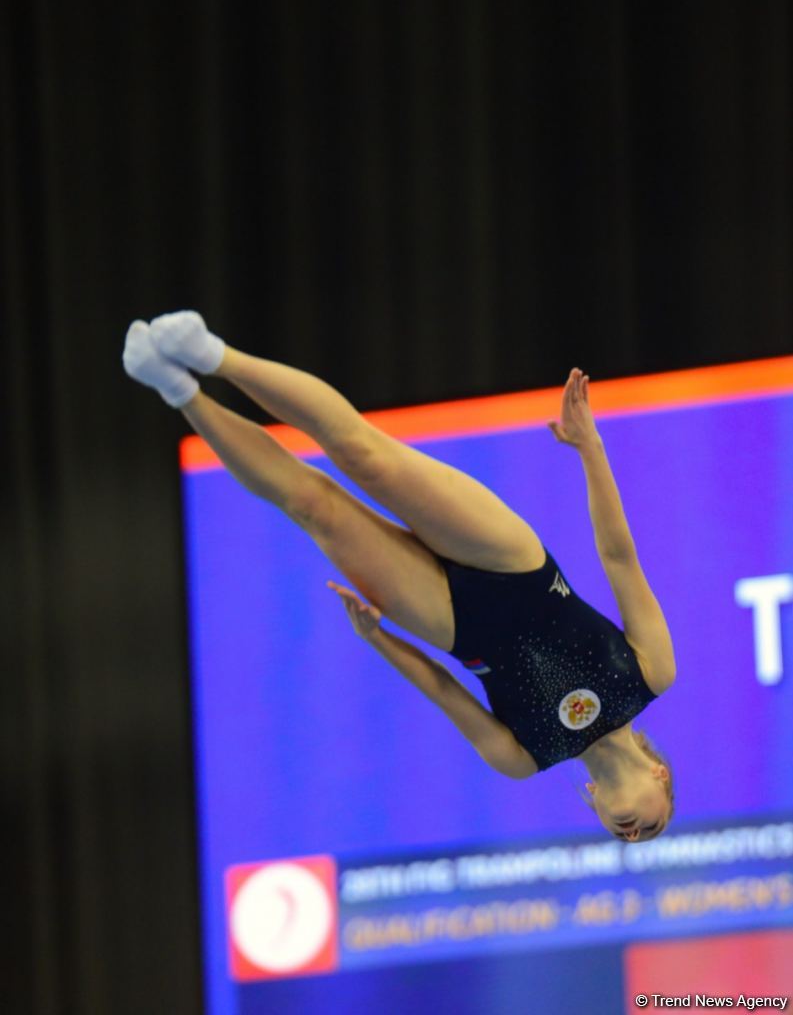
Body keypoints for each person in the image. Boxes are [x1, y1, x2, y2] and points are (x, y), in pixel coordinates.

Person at [123, 310, 676, 842]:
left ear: (594, 804)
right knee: (362, 453)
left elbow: (440, 687)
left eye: (621, 835)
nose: (633, 834)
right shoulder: (651, 675)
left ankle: (178, 390)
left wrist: (378, 637)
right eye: (653, 827)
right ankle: (215, 355)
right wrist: (590, 448)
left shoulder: (525, 758)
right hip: (513, 564)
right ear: (661, 778)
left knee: (314, 506)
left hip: (450, 622)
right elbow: (618, 557)